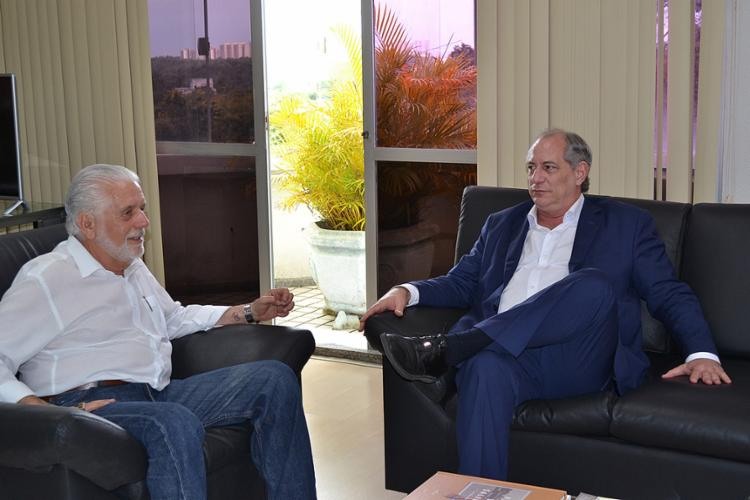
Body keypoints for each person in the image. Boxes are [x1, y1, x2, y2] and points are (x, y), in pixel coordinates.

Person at [359, 128, 731, 481]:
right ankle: (481, 494)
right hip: (504, 357)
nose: (536, 178)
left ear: (580, 172)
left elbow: (668, 292)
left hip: (579, 357)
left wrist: (702, 352)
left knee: (593, 284)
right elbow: (461, 282)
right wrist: (407, 290)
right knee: (483, 369)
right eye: (531, 168)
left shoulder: (626, 225)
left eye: (549, 168)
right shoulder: (501, 224)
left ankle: (455, 348)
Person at [0, 164, 316, 500]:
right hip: (90, 405)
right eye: (128, 213)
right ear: (87, 224)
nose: (143, 222)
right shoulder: (48, 278)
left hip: (157, 393)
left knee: (274, 380)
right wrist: (41, 409)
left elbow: (173, 318)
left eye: (142, 209)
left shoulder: (130, 264)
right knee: (174, 422)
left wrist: (248, 312)